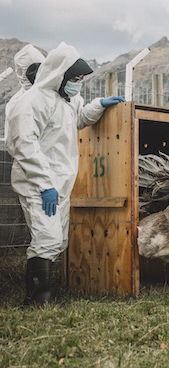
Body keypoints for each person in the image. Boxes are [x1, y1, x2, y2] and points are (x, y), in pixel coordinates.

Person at [6, 42, 126, 305]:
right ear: (58, 74)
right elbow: (23, 144)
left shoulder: (66, 98)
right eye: (74, 78)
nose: (77, 83)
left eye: (80, 79)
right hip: (38, 183)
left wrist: (99, 105)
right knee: (46, 236)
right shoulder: (32, 101)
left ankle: (44, 293)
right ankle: (38, 300)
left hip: (61, 183)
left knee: (58, 239)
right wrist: (44, 184)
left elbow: (78, 119)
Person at [4, 44, 45, 141]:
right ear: (22, 73)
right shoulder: (16, 105)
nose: (37, 76)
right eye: (33, 71)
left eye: (40, 70)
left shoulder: (53, 94)